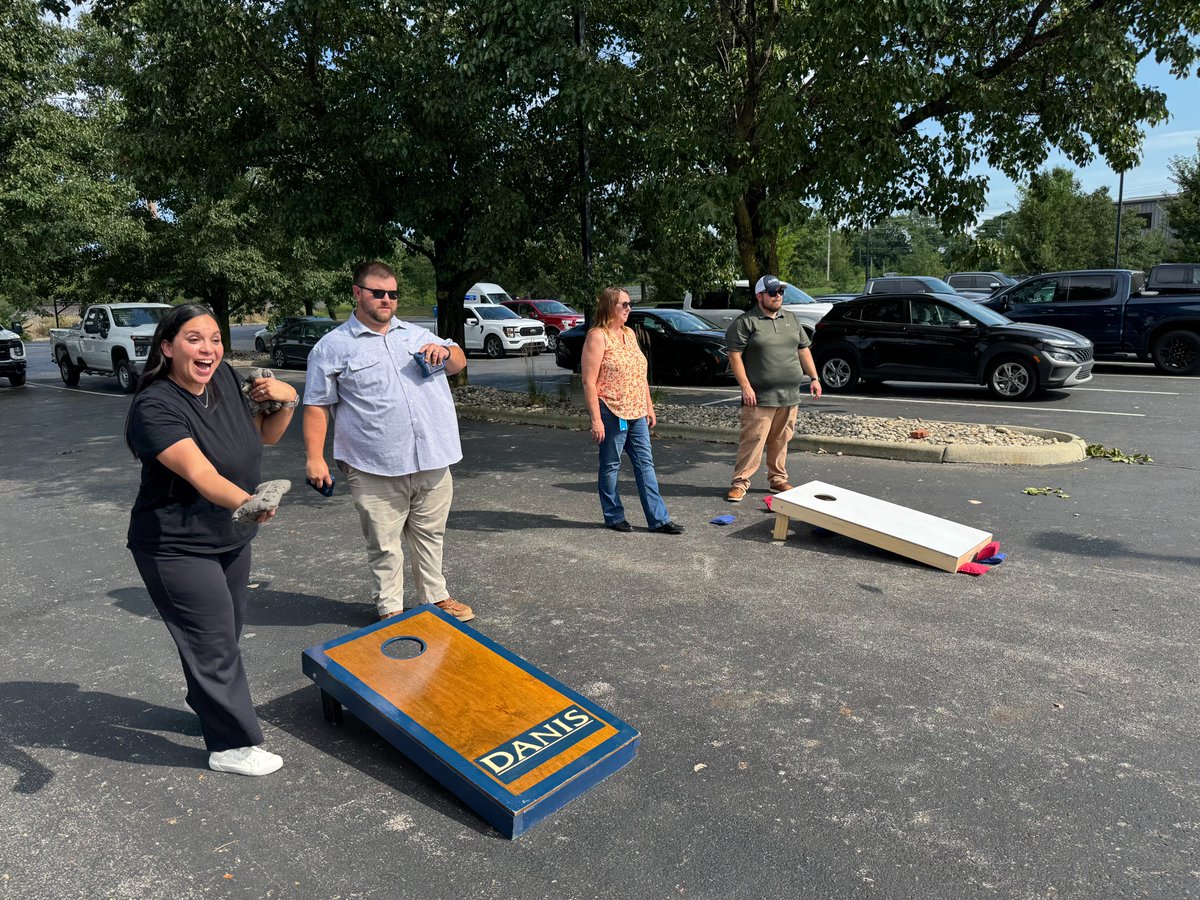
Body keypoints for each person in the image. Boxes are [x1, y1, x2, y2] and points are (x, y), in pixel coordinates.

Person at [124, 304, 299, 776]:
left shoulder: (222, 379)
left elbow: (263, 437)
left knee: (224, 633)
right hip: (175, 545)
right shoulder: (155, 406)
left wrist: (287, 400)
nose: (209, 349)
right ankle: (230, 745)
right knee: (213, 641)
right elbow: (200, 474)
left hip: (230, 535)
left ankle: (209, 703)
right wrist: (250, 502)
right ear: (167, 347)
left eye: (216, 339)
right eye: (194, 339)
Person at [303, 261, 474, 622]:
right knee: (383, 543)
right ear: (357, 293)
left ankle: (435, 598)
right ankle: (390, 609)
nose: (386, 300)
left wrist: (446, 352)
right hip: (373, 463)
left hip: (432, 456)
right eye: (378, 293)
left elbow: (458, 360)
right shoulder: (331, 348)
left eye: (393, 294)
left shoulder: (417, 335)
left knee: (431, 535)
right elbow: (317, 405)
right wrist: (314, 458)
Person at [581, 286, 684, 535]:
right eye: (624, 304)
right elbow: (588, 382)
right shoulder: (597, 336)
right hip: (611, 410)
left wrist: (649, 406)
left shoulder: (630, 333)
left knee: (645, 464)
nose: (629, 308)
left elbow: (640, 375)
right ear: (610, 306)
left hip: (636, 412)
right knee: (611, 465)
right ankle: (613, 516)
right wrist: (596, 420)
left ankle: (659, 519)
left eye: (629, 304)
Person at [725, 274, 822, 502]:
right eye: (772, 292)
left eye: (780, 292)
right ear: (759, 296)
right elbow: (735, 356)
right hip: (759, 396)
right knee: (753, 440)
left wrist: (814, 377)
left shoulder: (791, 319)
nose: (777, 296)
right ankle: (740, 482)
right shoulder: (746, 322)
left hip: (789, 395)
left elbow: (803, 349)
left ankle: (777, 479)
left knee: (781, 439)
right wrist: (745, 387)